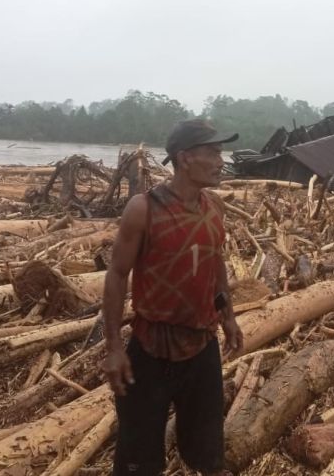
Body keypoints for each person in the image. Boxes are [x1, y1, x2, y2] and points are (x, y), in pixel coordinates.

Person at [102, 119, 244, 476]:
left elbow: (214, 262)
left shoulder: (214, 208)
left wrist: (228, 316)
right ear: (184, 158)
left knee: (208, 452)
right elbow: (117, 275)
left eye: (221, 153)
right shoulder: (144, 209)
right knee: (137, 458)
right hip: (150, 350)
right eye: (213, 152)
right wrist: (114, 348)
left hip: (201, 347)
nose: (221, 161)